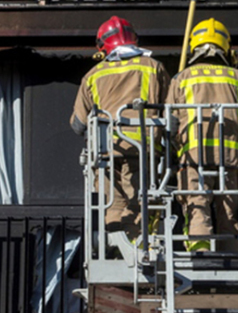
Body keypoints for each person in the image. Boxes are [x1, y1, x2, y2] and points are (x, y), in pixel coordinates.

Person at [71, 16, 171, 245]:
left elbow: (78, 124)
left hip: (106, 156)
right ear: (134, 39)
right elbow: (171, 109)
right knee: (139, 209)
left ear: (102, 45)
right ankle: (136, 259)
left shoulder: (93, 75)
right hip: (143, 153)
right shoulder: (153, 67)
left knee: (112, 210)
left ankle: (117, 258)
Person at [167, 18, 238, 253]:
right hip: (232, 158)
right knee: (229, 212)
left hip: (195, 156)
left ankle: (200, 251)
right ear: (225, 46)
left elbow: (170, 122)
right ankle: (231, 254)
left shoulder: (182, 79)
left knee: (196, 206)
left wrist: (175, 152)